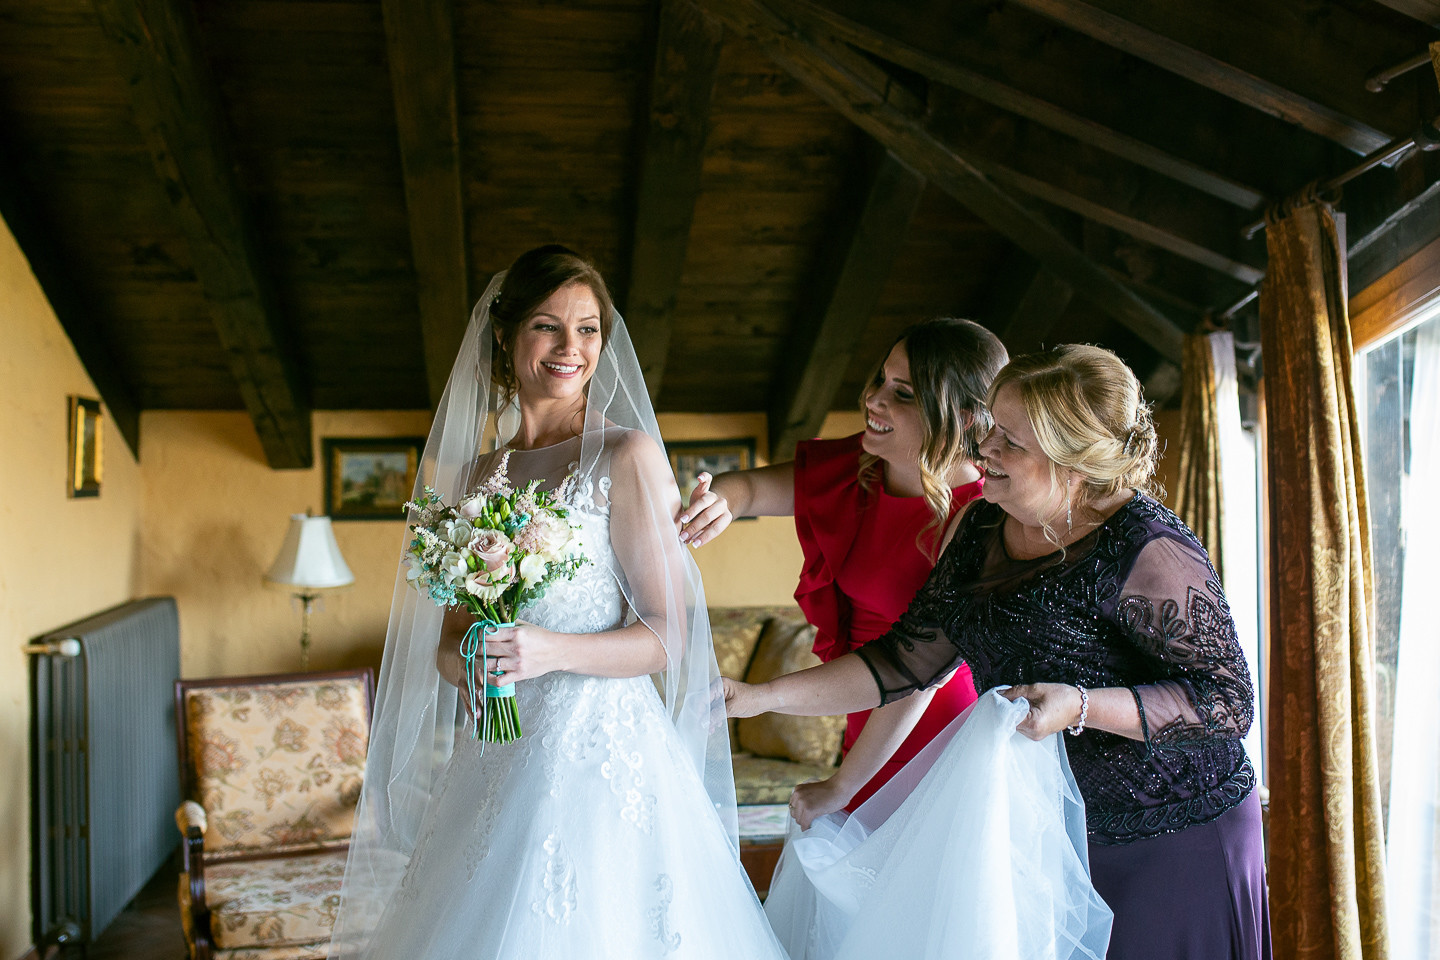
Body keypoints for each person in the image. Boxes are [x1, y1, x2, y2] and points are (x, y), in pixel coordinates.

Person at [725, 344, 1270, 960]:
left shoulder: (1148, 549)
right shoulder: (980, 527)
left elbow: (1227, 703)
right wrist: (756, 697)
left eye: (1010, 441)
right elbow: (905, 662)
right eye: (989, 428)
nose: (984, 450)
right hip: (1051, 834)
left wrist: (1082, 706)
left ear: (1073, 460)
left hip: (1173, 834)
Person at [329, 245, 786, 960]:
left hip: (602, 762)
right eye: (548, 326)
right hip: (498, 755)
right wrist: (472, 664)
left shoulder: (625, 456)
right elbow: (452, 641)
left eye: (588, 328)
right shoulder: (477, 477)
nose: (571, 348)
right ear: (507, 336)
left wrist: (549, 651)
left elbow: (670, 636)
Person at [679, 318, 1007, 825]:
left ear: (962, 418)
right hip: (864, 722)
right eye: (880, 379)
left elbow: (921, 674)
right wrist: (721, 500)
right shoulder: (858, 471)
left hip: (934, 732)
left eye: (902, 393)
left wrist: (843, 784)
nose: (873, 399)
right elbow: (746, 486)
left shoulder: (979, 516)